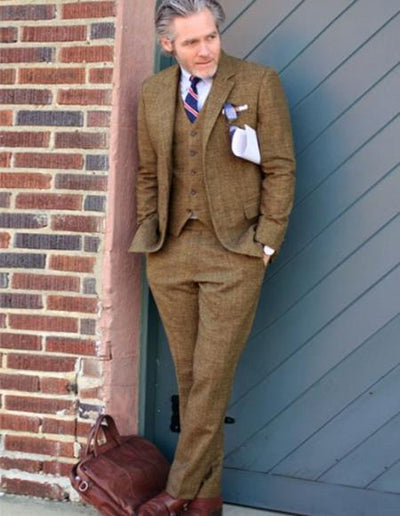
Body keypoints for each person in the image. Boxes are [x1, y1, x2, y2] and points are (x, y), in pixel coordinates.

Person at [129, 1, 296, 514]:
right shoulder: (154, 92)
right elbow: (148, 173)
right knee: (191, 378)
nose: (205, 50)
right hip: (170, 252)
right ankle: (207, 499)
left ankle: (179, 489)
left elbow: (280, 167)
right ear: (168, 46)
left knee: (211, 376)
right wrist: (149, 228)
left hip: (235, 252)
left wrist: (265, 242)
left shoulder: (258, 82)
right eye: (191, 42)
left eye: (211, 37)